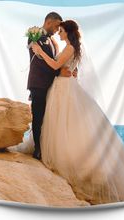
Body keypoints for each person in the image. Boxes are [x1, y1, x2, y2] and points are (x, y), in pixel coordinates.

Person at [31, 20, 124, 204]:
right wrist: (68, 69)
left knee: (65, 124)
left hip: (64, 88)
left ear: (68, 32)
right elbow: (71, 68)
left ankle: (70, 162)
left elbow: (55, 66)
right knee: (66, 124)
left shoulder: (69, 48)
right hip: (66, 85)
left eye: (61, 31)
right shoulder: (74, 48)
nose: (59, 34)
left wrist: (39, 52)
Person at [27, 12, 78, 160]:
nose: (57, 30)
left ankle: (47, 148)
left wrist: (69, 70)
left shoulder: (53, 41)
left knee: (48, 117)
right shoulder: (34, 36)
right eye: (56, 27)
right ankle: (37, 149)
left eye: (59, 29)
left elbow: (59, 60)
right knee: (38, 116)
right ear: (49, 22)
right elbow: (39, 61)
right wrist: (58, 71)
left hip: (51, 85)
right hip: (39, 82)